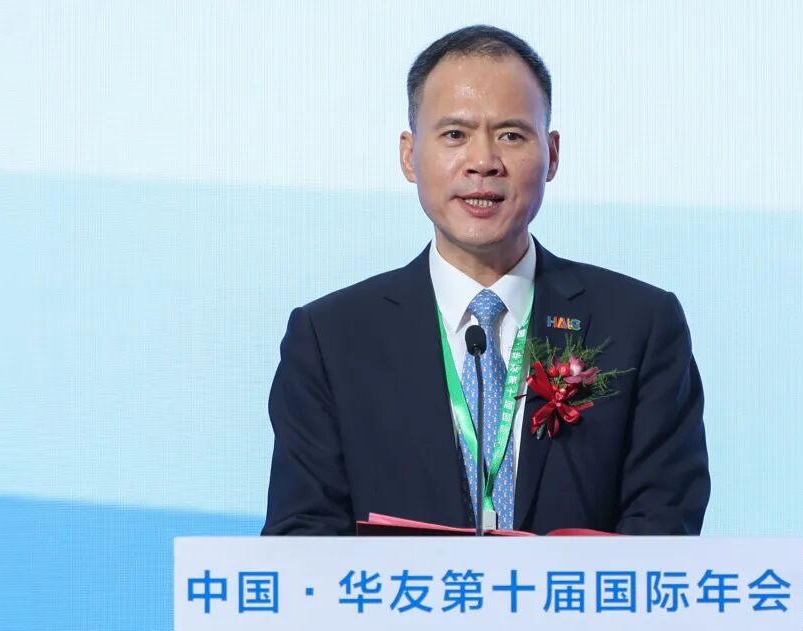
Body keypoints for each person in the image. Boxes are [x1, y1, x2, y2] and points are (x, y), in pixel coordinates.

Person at [262, 25, 709, 536]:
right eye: (455, 135)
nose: (483, 163)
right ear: (409, 155)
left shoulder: (639, 326)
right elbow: (303, 537)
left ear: (552, 154)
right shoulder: (330, 338)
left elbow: (664, 531)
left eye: (511, 135)